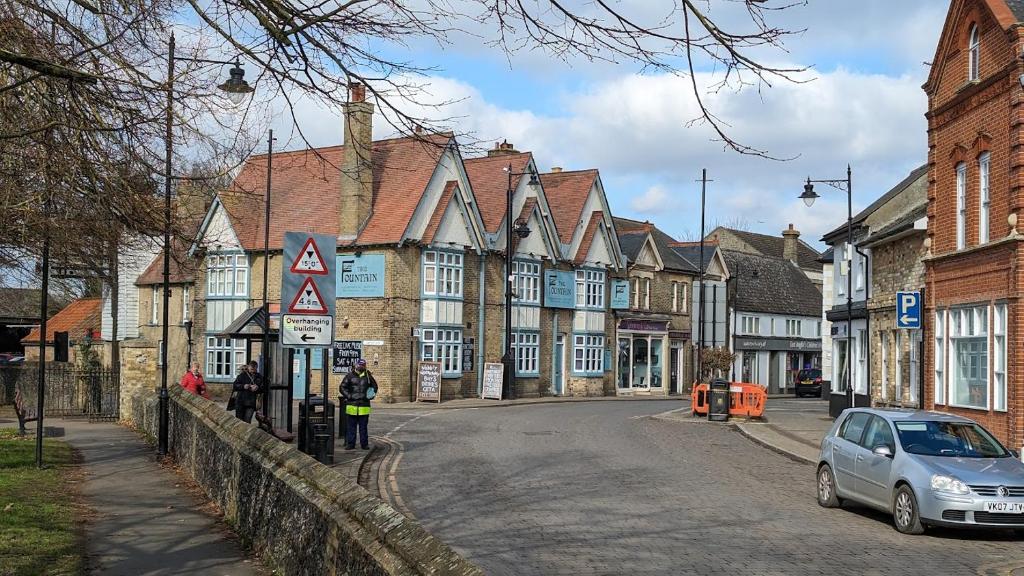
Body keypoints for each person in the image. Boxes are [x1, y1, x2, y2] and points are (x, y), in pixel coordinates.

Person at [340, 358, 377, 450]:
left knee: (363, 428)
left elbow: (375, 387)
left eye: (363, 365)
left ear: (365, 366)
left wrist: (370, 395)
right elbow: (342, 387)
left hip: (364, 406)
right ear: (356, 365)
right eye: (359, 365)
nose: (361, 366)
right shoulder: (349, 376)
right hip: (351, 405)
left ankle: (364, 444)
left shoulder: (368, 376)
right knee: (351, 427)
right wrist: (349, 396)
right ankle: (350, 444)